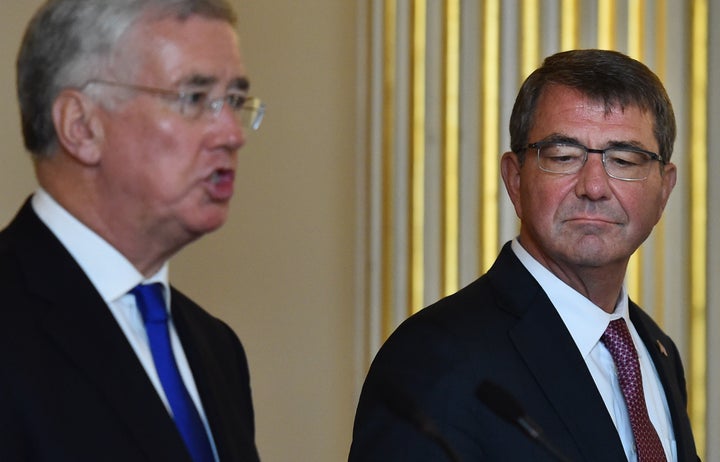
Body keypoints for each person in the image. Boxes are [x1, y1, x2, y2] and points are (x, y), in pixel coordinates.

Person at [349, 49, 699, 461]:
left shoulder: (655, 349)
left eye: (623, 159)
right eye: (563, 157)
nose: (594, 187)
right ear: (514, 179)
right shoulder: (433, 358)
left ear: (664, 189)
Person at [0, 1, 265, 461]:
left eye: (236, 102)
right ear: (81, 127)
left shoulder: (216, 348)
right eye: (194, 99)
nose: (231, 132)